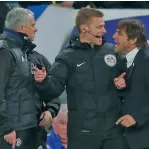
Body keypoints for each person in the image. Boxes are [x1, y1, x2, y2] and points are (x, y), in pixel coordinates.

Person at [34, 8, 126, 149]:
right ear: (84, 28)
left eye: (104, 26)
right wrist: (43, 81)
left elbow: (130, 80)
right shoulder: (67, 57)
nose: (104, 30)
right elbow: (54, 87)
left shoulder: (113, 52)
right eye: (99, 26)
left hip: (114, 133)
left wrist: (125, 83)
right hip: (83, 134)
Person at [0, 7, 56, 149]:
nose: (36, 29)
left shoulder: (18, 50)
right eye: (33, 25)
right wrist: (7, 128)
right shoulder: (3, 51)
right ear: (21, 27)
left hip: (26, 129)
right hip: (11, 132)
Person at [113, 19, 149, 149]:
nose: (114, 36)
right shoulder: (124, 61)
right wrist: (120, 86)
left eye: (119, 33)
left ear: (132, 40)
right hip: (134, 139)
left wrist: (136, 117)